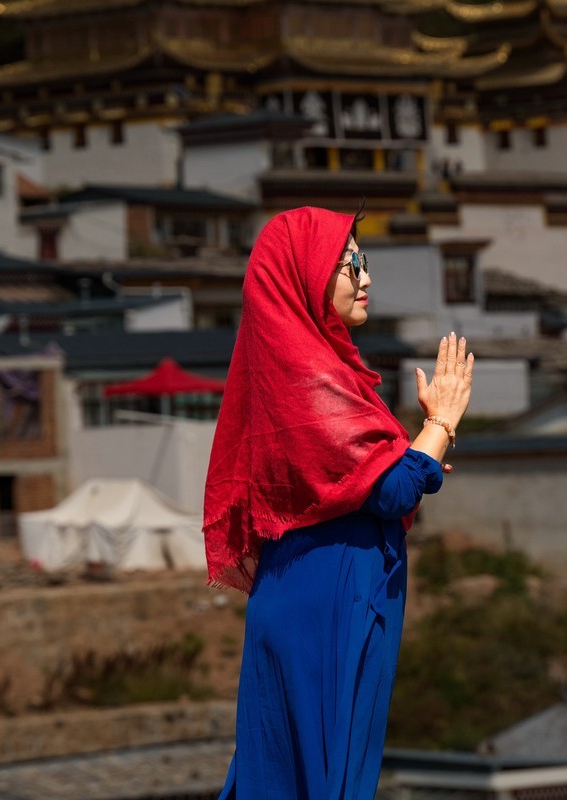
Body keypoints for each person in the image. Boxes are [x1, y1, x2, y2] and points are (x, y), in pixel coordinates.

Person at [203, 206, 473, 799]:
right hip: (330, 598)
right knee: (328, 771)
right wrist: (442, 422)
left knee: (291, 770)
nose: (366, 277)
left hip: (311, 589)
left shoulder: (303, 368)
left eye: (362, 261)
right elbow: (393, 490)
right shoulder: (308, 376)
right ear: (306, 275)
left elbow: (374, 478)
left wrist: (416, 455)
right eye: (349, 264)